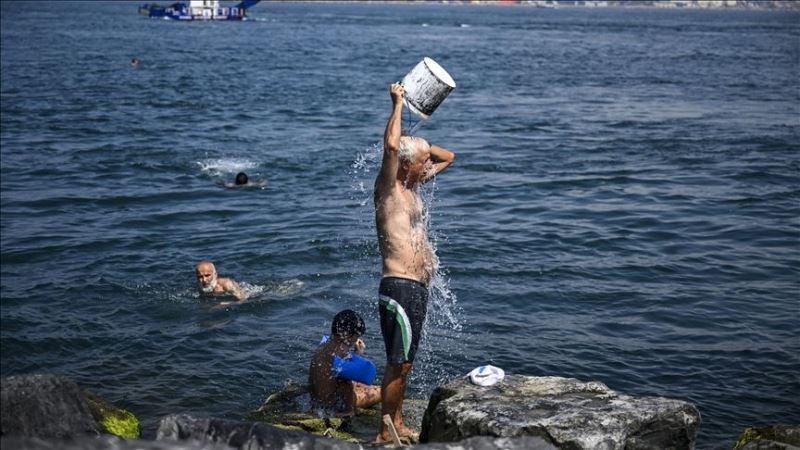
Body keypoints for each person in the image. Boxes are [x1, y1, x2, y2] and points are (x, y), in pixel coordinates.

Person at [373, 83, 456, 443]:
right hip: (399, 286)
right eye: (423, 162)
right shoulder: (389, 188)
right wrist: (397, 104)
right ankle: (384, 431)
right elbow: (392, 147)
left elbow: (449, 157)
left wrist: (421, 136)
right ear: (406, 164)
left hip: (416, 286)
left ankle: (398, 422)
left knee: (405, 363)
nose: (428, 167)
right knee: (398, 363)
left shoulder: (414, 186)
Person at [308, 309, 381, 416]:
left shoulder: (324, 345)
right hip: (334, 403)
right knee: (383, 391)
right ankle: (348, 411)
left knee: (358, 384)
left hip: (317, 399)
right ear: (348, 335)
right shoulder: (339, 352)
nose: (357, 339)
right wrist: (359, 354)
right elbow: (345, 380)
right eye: (356, 336)